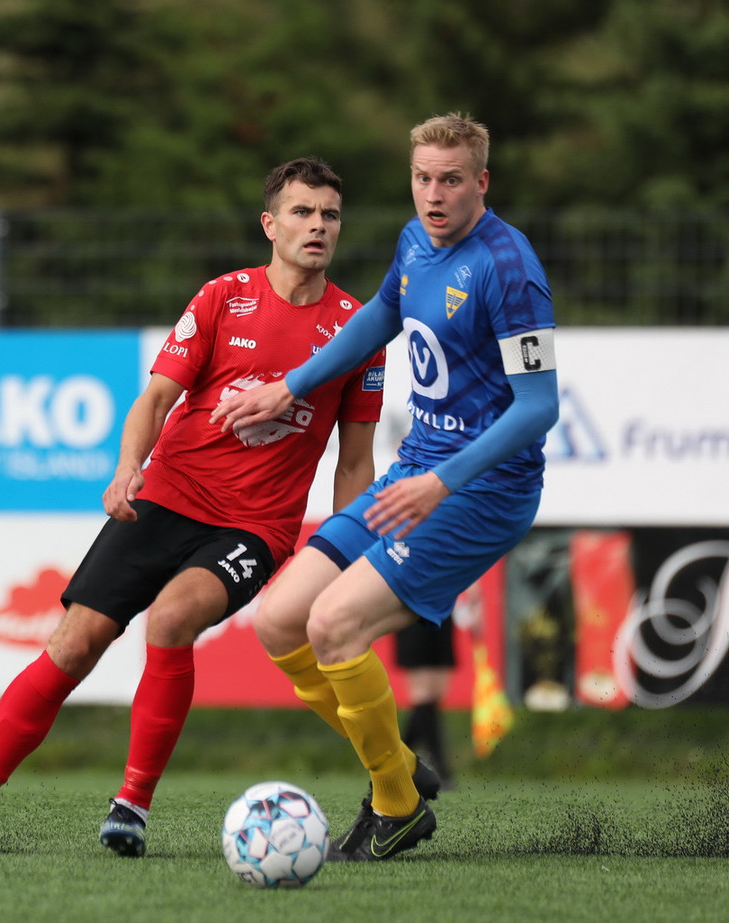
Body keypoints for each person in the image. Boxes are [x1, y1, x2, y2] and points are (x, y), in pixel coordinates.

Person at [0, 157, 391, 858]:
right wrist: (128, 468)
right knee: (75, 642)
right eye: (302, 212)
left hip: (254, 526)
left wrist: (344, 551)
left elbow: (355, 461)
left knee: (173, 618)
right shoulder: (223, 298)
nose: (318, 226)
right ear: (270, 225)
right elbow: (155, 399)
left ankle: (132, 807)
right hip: (168, 495)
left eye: (329, 214)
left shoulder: (358, 329)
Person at [212, 113, 560, 862]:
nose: (434, 195)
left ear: (481, 182)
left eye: (451, 180)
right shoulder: (414, 241)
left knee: (334, 625)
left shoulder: (509, 267)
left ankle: (397, 807)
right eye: (422, 178)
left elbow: (539, 407)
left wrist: (442, 481)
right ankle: (398, 768)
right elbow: (381, 315)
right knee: (279, 620)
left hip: (481, 489)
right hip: (417, 471)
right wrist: (290, 385)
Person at [395, 615, 456, 790]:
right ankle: (440, 768)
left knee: (434, 696)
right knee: (423, 697)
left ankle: (396, 763)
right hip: (416, 614)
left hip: (441, 614)